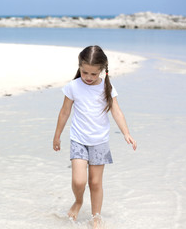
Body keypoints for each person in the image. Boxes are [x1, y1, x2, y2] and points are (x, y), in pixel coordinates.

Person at [52, 45, 137, 224]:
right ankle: (78, 201)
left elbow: (116, 111)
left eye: (93, 74)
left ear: (102, 70)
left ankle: (96, 217)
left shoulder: (107, 87)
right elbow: (64, 112)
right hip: (79, 140)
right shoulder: (73, 87)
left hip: (100, 142)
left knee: (96, 183)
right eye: (85, 73)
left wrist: (126, 133)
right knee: (79, 181)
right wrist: (57, 135)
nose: (89, 78)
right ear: (79, 68)